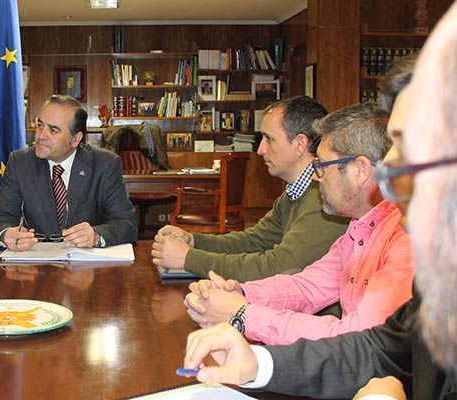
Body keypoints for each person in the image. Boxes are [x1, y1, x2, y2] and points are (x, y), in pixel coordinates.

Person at [181, 8, 457, 398]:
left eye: (408, 144)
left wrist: (242, 314)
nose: (390, 166)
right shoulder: (432, 264)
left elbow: (361, 339)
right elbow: (375, 347)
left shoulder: (412, 246)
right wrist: (249, 333)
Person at [184, 102, 414, 345]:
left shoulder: (405, 238)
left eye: (322, 166)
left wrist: (243, 314)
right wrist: (241, 293)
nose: (315, 176)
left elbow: (358, 338)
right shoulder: (358, 228)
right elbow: (306, 286)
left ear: (360, 171)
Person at [153, 96, 349, 282]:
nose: (260, 150)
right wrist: (193, 240)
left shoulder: (325, 198)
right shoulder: (296, 191)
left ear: (300, 144)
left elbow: (277, 268)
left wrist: (189, 258)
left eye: (269, 139)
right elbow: (253, 241)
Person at [0, 95, 137, 250]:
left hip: (88, 267)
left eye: (53, 130)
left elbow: (126, 224)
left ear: (75, 139)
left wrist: (96, 235)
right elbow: (1, 219)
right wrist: (6, 235)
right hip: (37, 264)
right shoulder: (19, 162)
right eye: (40, 125)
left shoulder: (105, 164)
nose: (40, 136)